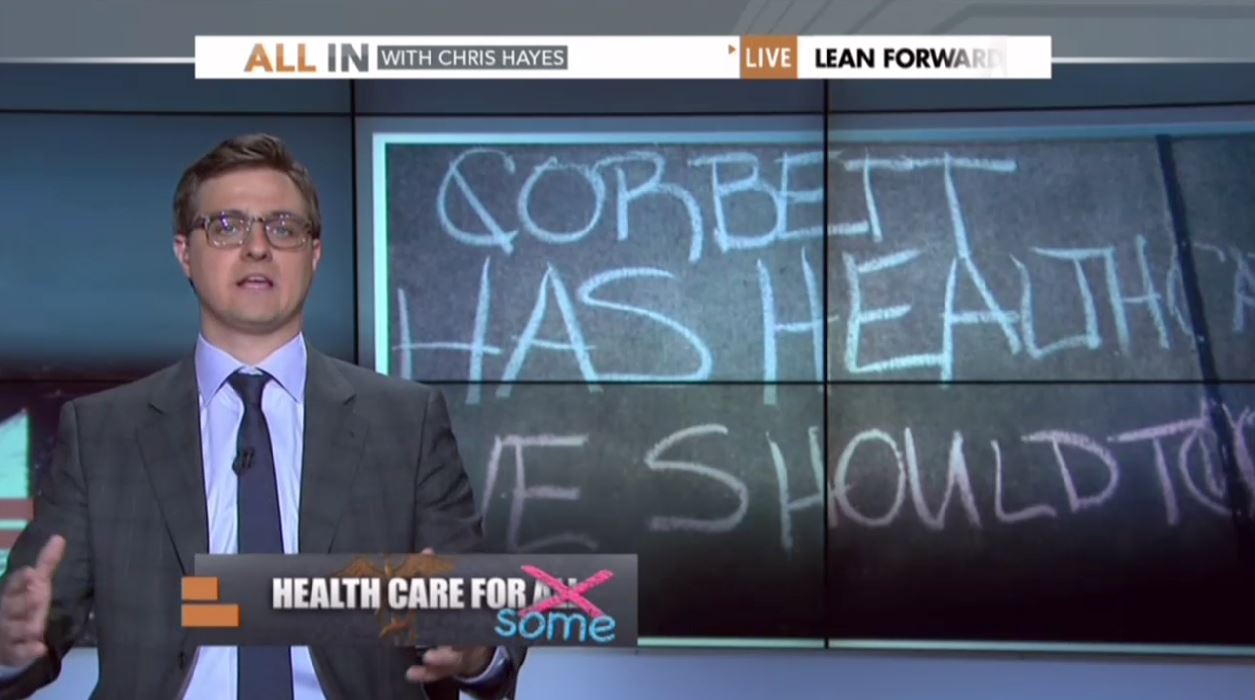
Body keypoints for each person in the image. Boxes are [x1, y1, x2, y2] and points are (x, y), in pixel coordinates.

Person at [0, 133, 524, 699]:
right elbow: (32, 622)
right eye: (226, 226)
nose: (256, 247)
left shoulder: (407, 423)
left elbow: (483, 617)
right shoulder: (103, 433)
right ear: (185, 253)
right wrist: (7, 647)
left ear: (314, 254)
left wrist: (476, 648)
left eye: (283, 228)